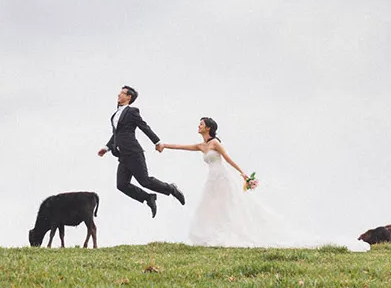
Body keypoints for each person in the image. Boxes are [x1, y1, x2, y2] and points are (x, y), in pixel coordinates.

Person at [158, 117, 297, 246]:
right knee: (210, 207)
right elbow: (181, 146)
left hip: (221, 177)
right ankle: (211, 235)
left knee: (225, 205)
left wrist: (243, 173)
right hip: (211, 179)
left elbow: (227, 158)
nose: (198, 126)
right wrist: (164, 145)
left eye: (201, 124)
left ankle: (229, 233)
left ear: (208, 128)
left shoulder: (215, 143)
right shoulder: (201, 146)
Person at [98, 85, 186, 217]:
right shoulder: (115, 115)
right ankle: (148, 198)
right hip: (123, 156)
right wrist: (106, 147)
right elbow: (116, 135)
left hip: (133, 153)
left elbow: (144, 126)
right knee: (122, 185)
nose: (119, 95)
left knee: (145, 181)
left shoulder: (132, 111)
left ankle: (171, 188)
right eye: (119, 93)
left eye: (122, 93)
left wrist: (157, 142)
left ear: (129, 97)